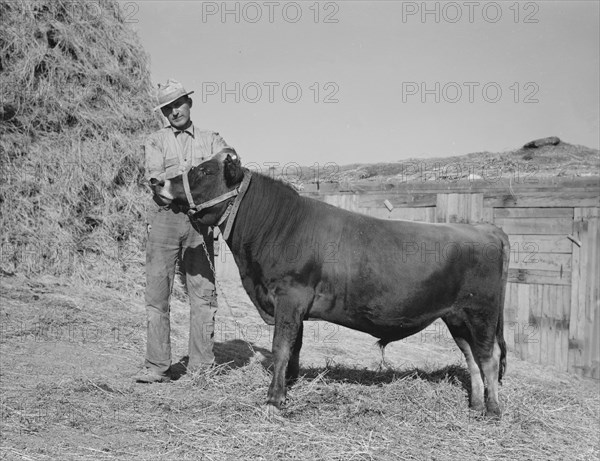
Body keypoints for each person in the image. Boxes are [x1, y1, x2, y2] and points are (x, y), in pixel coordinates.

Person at [135, 79, 231, 383]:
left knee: (203, 296)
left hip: (200, 226)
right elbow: (157, 183)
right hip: (165, 221)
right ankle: (157, 367)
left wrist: (201, 195)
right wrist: (187, 191)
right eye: (167, 108)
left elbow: (227, 164)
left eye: (178, 104)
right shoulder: (156, 141)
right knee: (157, 297)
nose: (174, 111)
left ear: (189, 103)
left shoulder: (211, 139)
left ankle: (201, 368)